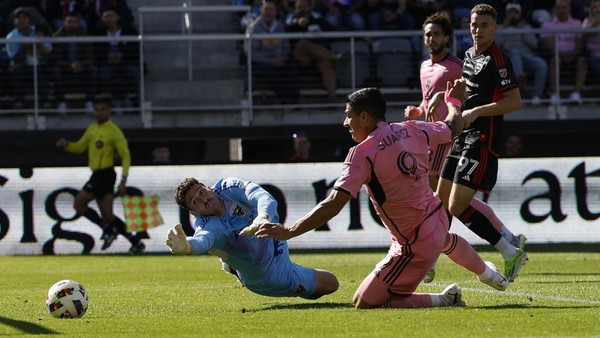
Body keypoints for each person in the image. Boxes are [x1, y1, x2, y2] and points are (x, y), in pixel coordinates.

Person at [248, 85, 510, 309]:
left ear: (364, 117)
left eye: (348, 116)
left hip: (414, 244)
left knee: (364, 300)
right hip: (438, 218)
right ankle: (488, 274)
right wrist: (454, 102)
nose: (345, 123)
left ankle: (443, 300)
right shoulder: (412, 129)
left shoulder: (362, 153)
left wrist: (290, 231)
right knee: (444, 238)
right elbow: (454, 127)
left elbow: (333, 204)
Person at [435, 4, 527, 283]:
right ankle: (425, 257)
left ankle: (509, 250)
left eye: (484, 25)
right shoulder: (468, 56)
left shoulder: (498, 58)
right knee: (439, 203)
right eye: (474, 24)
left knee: (456, 206)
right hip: (461, 136)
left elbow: (514, 102)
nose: (478, 29)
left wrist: (475, 112)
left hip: (481, 139)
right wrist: (447, 96)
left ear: (495, 28)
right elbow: (469, 91)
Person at [166, 176, 339, 300]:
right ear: (194, 213)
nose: (203, 199)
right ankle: (235, 266)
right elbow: (204, 240)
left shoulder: (228, 188)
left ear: (208, 187)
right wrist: (188, 246)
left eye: (201, 191)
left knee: (266, 208)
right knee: (331, 283)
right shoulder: (209, 225)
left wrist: (262, 217)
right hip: (268, 273)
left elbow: (262, 196)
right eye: (195, 201)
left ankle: (230, 262)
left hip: (273, 234)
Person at [55, 98, 145, 254]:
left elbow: (125, 155)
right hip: (97, 174)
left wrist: (123, 180)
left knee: (79, 204)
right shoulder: (92, 129)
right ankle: (136, 242)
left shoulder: (114, 131)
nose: (99, 112)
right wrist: (67, 145)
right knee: (108, 215)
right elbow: (80, 147)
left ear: (109, 111)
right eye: (97, 109)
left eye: (103, 109)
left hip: (105, 174)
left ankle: (109, 230)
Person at [286, 0, 343, 100]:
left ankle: (332, 96)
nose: (302, 9)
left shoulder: (319, 22)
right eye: (299, 7)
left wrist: (363, 37)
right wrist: (299, 25)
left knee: (326, 63)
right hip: (300, 59)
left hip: (317, 58)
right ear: (295, 9)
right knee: (303, 43)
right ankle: (336, 57)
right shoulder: (290, 24)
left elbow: (335, 33)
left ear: (310, 8)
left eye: (304, 6)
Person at [247, 0, 300, 105]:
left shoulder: (280, 26)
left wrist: (282, 58)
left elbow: (286, 46)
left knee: (293, 68)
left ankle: (294, 102)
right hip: (262, 63)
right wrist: (270, 61)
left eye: (271, 10)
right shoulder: (254, 28)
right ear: (261, 11)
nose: (269, 12)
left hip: (279, 60)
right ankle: (287, 101)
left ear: (276, 12)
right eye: (266, 9)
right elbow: (251, 52)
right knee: (270, 72)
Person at [496, 2, 548, 106]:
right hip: (509, 58)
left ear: (519, 14)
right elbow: (496, 44)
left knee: (542, 65)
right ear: (506, 14)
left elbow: (534, 44)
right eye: (511, 13)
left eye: (515, 13)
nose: (513, 15)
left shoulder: (526, 27)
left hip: (527, 57)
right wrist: (505, 30)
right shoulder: (500, 28)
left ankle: (536, 96)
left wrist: (523, 31)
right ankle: (520, 79)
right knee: (514, 52)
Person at [91, 5, 140, 113]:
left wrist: (122, 55)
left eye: (111, 16)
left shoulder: (129, 31)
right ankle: (118, 100)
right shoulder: (97, 32)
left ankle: (126, 99)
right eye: (106, 16)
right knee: (106, 75)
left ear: (117, 17)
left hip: (125, 62)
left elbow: (134, 48)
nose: (108, 19)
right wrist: (106, 56)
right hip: (106, 64)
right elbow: (96, 50)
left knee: (133, 73)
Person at [540, 0, 587, 107]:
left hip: (573, 56)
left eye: (564, 7)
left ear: (569, 9)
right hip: (556, 55)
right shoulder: (547, 25)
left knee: (582, 61)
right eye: (559, 8)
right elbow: (549, 43)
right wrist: (560, 54)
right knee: (554, 60)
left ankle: (576, 93)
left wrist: (574, 53)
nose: (561, 10)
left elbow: (579, 42)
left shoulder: (577, 23)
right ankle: (555, 94)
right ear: (555, 9)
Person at [52, 11, 98, 114]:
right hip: (65, 68)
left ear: (78, 23)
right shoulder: (57, 37)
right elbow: (55, 58)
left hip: (82, 67)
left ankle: (89, 101)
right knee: (55, 70)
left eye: (74, 22)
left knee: (93, 70)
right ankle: (61, 102)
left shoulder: (84, 36)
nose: (72, 24)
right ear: (64, 22)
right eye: (69, 21)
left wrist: (81, 64)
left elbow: (90, 57)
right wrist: (69, 65)